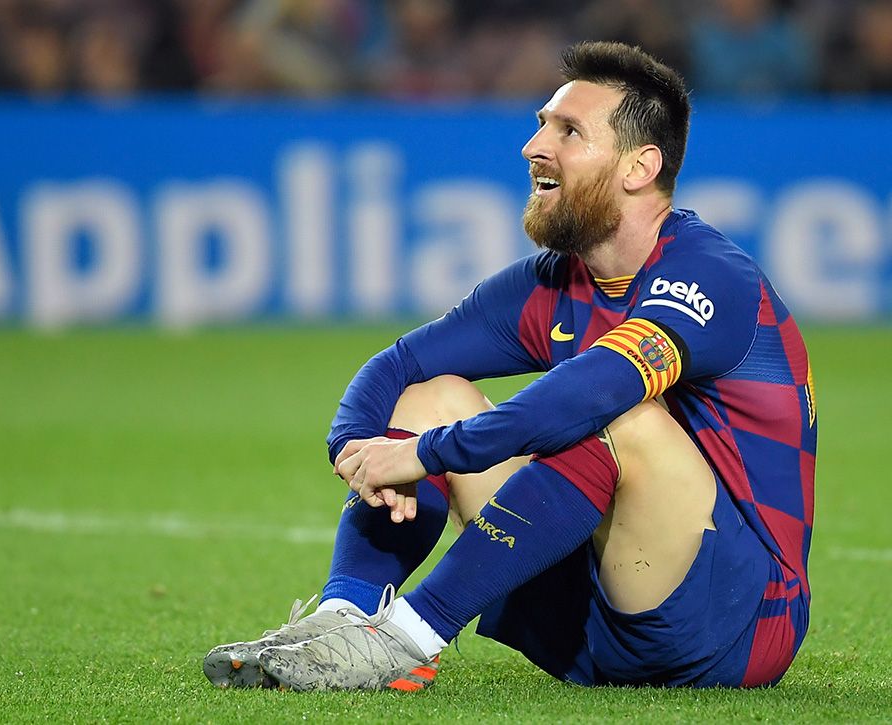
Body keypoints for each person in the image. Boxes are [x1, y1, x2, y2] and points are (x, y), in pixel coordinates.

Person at [203, 40, 816, 691]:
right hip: (587, 624)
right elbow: (398, 362)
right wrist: (355, 445)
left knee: (620, 416)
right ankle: (343, 620)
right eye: (541, 123)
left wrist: (428, 455)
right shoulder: (554, 283)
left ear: (640, 167)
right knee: (428, 392)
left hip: (737, 624)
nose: (534, 147)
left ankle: (405, 638)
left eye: (569, 131)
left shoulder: (709, 277)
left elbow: (593, 390)